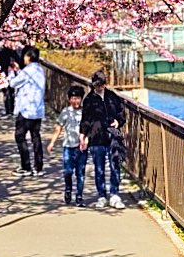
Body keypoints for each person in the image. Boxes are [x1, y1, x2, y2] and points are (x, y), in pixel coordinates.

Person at [79, 69, 126, 209]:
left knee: (115, 164)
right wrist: (83, 135)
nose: (99, 87)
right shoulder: (89, 99)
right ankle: (101, 195)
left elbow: (121, 112)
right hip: (96, 137)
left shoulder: (112, 97)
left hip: (112, 136)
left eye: (101, 85)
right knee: (99, 168)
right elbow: (85, 119)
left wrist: (118, 121)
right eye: (97, 85)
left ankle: (114, 194)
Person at [7, 44, 45, 175]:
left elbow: (13, 83)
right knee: (36, 137)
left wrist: (12, 72)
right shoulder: (40, 70)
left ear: (28, 56)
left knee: (19, 136)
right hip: (38, 110)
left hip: (26, 110)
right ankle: (38, 167)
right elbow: (25, 80)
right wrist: (18, 71)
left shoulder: (28, 71)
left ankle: (26, 166)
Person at [47, 84, 87, 205]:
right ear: (69, 99)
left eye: (78, 98)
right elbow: (58, 128)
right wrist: (52, 143)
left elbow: (89, 129)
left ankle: (79, 197)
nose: (76, 101)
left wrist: (86, 140)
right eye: (73, 98)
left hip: (81, 147)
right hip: (68, 147)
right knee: (68, 171)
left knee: (80, 173)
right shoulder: (65, 112)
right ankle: (68, 189)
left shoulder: (85, 112)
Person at [0, 43, 20, 116]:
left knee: (6, 93)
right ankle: (11, 109)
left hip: (3, 74)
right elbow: (18, 61)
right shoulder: (12, 52)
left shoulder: (0, 53)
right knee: (11, 92)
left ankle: (8, 109)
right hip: (10, 74)